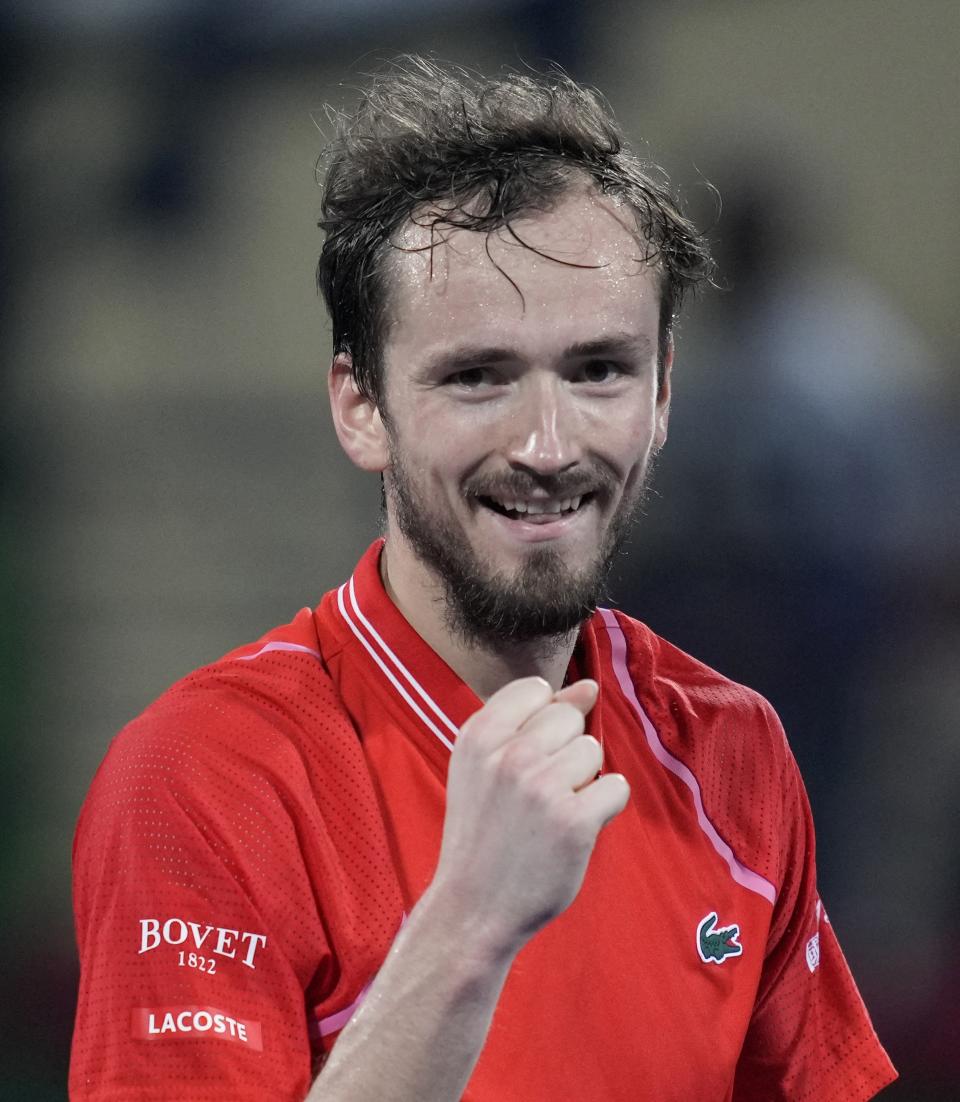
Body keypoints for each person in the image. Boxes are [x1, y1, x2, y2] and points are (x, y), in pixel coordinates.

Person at [69, 57, 897, 1101]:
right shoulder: (203, 778)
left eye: (599, 370)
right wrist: (468, 924)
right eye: (477, 376)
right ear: (360, 405)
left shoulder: (734, 750)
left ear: (665, 394)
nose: (548, 443)